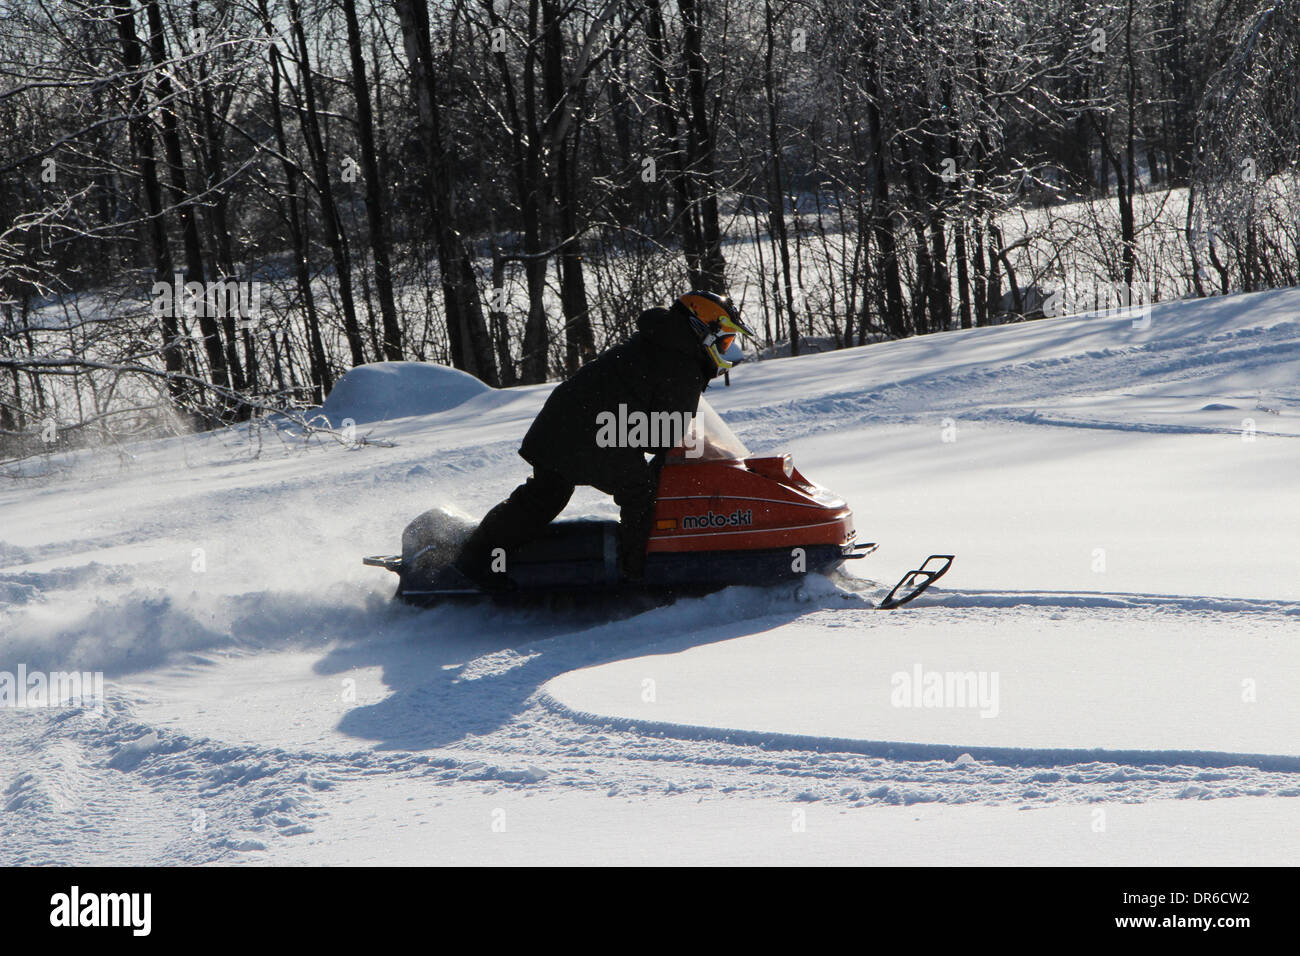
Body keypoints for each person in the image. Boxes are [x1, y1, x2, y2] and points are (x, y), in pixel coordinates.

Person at [448, 290, 755, 589]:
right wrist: (697, 450)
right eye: (726, 340)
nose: (728, 349)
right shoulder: (680, 360)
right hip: (593, 430)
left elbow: (661, 427)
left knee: (545, 495)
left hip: (573, 421)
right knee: (639, 490)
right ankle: (635, 572)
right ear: (703, 330)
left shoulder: (667, 344)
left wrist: (696, 443)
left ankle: (479, 555)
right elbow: (665, 437)